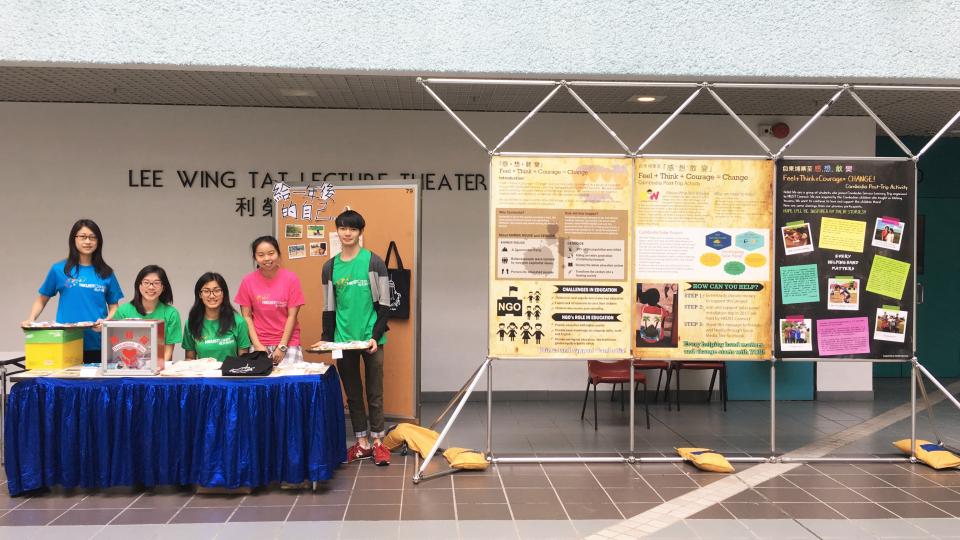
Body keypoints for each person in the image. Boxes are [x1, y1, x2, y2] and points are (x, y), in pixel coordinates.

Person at [312, 209, 391, 466]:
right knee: (353, 394)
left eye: (352, 228)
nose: (347, 233)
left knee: (374, 392)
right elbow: (328, 307)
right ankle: (362, 443)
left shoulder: (374, 262)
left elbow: (385, 306)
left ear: (360, 232)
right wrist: (327, 339)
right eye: (343, 228)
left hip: (371, 339)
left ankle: (379, 442)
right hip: (343, 340)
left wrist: (375, 336)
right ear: (337, 231)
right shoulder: (330, 267)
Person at [24, 219, 124, 363]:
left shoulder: (106, 272)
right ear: (74, 239)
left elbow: (114, 307)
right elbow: (42, 299)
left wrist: (106, 322)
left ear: (98, 242)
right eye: (83, 236)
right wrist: (31, 319)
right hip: (66, 341)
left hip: (96, 341)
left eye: (92, 237)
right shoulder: (59, 269)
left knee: (95, 384)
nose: (88, 241)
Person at [235, 236, 305, 365]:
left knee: (291, 383)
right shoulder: (247, 281)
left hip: (288, 343)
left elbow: (292, 316)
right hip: (259, 344)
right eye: (261, 255)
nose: (267, 258)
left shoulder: (291, 279)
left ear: (278, 254)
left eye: (271, 253)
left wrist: (282, 346)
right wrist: (257, 346)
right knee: (259, 384)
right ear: (255, 258)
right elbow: (246, 316)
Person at [112, 265, 182, 363]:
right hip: (127, 366)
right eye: (146, 282)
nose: (151, 287)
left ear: (163, 287)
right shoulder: (123, 311)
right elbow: (116, 346)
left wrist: (157, 370)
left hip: (159, 369)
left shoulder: (171, 313)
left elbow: (168, 351)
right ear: (139, 285)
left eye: (156, 283)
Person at [182, 272, 251, 362]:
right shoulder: (191, 323)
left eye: (216, 290)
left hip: (229, 374)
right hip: (203, 375)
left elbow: (244, 360)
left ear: (223, 293)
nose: (212, 296)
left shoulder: (238, 322)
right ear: (200, 295)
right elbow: (190, 358)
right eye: (206, 291)